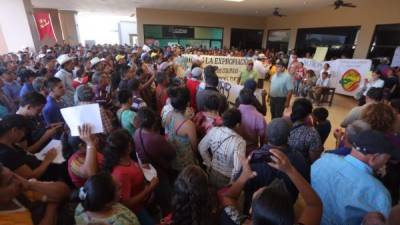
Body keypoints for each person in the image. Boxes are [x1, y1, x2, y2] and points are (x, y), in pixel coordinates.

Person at [312, 130, 400, 225]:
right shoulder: (380, 195)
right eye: (387, 158)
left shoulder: (323, 160)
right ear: (374, 158)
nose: (386, 163)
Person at [221, 149, 322, 225]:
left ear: (251, 210)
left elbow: (228, 197)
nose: (268, 186)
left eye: (261, 192)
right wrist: (290, 170)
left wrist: (244, 175)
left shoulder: (235, 221)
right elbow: (314, 205)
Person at [240, 118, 309, 214]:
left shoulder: (253, 158)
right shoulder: (299, 159)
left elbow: (244, 186)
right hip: (284, 210)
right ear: (289, 136)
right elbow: (304, 184)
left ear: (267, 136)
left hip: (255, 210)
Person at [104, 129, 158, 225]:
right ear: (127, 148)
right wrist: (149, 188)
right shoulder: (121, 173)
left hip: (143, 201)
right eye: (129, 143)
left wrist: (140, 168)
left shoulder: (126, 159)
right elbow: (127, 203)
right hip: (137, 209)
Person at [133, 107, 176, 215]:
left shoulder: (137, 132)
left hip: (147, 172)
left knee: (158, 195)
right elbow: (172, 153)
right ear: (153, 124)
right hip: (160, 173)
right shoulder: (155, 139)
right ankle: (169, 215)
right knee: (167, 198)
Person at [0, 163, 70, 225]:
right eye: (9, 182)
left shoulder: (21, 188)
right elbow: (59, 196)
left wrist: (31, 185)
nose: (18, 182)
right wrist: (53, 204)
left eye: (14, 175)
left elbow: (64, 190)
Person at [198, 108, 246, 188]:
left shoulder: (214, 130)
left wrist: (209, 164)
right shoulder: (239, 142)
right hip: (227, 178)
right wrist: (232, 182)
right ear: (237, 124)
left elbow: (201, 147)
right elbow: (237, 168)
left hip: (212, 172)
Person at [73, 173, 140, 225]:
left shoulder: (80, 207)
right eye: (118, 188)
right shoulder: (121, 222)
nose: (121, 183)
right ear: (107, 203)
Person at [164, 87, 198, 172]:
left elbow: (167, 132)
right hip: (185, 160)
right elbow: (194, 146)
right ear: (187, 103)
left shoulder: (168, 115)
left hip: (173, 154)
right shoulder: (189, 125)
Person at [288, 98, 322, 163]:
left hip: (282, 165)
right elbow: (314, 161)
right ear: (308, 114)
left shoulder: (282, 124)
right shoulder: (312, 134)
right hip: (300, 168)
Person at [237, 88, 267, 155]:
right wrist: (261, 149)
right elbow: (263, 137)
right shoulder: (259, 117)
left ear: (239, 99)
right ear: (253, 99)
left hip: (236, 149)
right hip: (252, 150)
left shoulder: (234, 112)